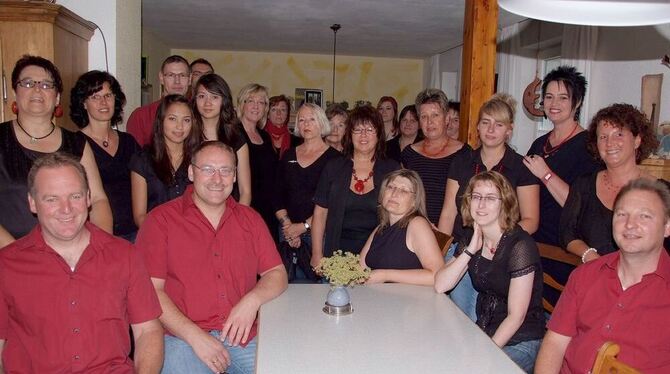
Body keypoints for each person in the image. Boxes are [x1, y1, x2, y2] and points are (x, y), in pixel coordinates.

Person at [0, 152, 163, 372]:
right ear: (32, 203)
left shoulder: (125, 255)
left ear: (88, 198)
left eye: (75, 196)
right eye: (51, 199)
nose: (66, 209)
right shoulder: (7, 265)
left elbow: (148, 331)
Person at [136, 141, 288, 374]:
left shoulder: (250, 220)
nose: (217, 179)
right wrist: (195, 336)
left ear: (235, 176)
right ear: (191, 172)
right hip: (182, 337)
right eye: (207, 169)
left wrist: (252, 301)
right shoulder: (160, 221)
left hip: (241, 336)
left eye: (225, 170)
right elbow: (150, 292)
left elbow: (276, 274)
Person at [535, 178, 670, 374]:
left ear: (667, 227)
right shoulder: (585, 275)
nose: (630, 224)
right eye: (622, 214)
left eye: (644, 216)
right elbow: (555, 342)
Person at [437, 94, 540, 321]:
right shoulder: (461, 162)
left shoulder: (521, 168)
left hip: (500, 255)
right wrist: (440, 253)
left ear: (509, 130)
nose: (491, 129)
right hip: (462, 250)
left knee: (484, 320)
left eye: (499, 124)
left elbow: (531, 220)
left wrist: (496, 239)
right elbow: (448, 212)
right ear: (478, 127)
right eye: (486, 122)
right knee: (457, 318)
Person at [434, 171, 545, 373]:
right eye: (476, 197)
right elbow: (441, 285)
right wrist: (469, 250)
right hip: (484, 332)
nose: (481, 204)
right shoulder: (472, 237)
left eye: (490, 198)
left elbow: (516, 317)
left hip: (521, 340)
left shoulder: (520, 246)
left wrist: (485, 353)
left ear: (505, 203)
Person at [0, 55, 112, 248]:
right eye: (27, 83)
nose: (36, 89)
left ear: (57, 96)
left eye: (46, 85)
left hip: (72, 252)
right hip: (10, 256)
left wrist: (99, 249)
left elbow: (97, 199)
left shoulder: (76, 143)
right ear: (14, 92)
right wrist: (16, 254)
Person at [522, 66, 600, 307]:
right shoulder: (539, 143)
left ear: (576, 103)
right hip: (533, 243)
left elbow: (581, 205)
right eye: (549, 96)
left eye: (563, 97)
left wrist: (546, 175)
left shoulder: (588, 147)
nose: (554, 103)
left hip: (564, 248)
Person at [561, 103, 659, 263]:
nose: (610, 142)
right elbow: (566, 234)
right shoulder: (583, 185)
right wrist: (590, 256)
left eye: (619, 134)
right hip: (594, 278)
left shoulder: (662, 192)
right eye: (603, 137)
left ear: (637, 141)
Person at [311, 105, 400, 268]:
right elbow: (320, 212)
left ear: (379, 133)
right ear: (349, 134)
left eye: (370, 129)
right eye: (357, 130)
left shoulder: (392, 169)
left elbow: (403, 215)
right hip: (337, 257)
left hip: (380, 257)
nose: (363, 135)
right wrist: (317, 254)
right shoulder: (334, 167)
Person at [70, 70, 140, 241]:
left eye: (108, 95)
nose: (103, 102)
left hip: (136, 232)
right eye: (95, 97)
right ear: (84, 103)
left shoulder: (128, 141)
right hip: (99, 234)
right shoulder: (74, 144)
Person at [274, 103, 340, 280]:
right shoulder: (288, 155)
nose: (306, 124)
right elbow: (277, 194)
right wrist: (288, 227)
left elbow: (333, 203)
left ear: (321, 123)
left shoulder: (336, 159)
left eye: (311, 119)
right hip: (287, 232)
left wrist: (303, 228)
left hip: (319, 234)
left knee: (318, 289)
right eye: (301, 120)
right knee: (288, 287)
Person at [359, 169, 444, 285]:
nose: (394, 194)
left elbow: (437, 276)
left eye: (404, 190)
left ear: (414, 201)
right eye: (390, 187)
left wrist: (385, 275)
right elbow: (360, 269)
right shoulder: (381, 228)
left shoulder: (417, 224)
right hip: (379, 297)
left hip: (408, 300)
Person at [401, 88, 470, 225]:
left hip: (452, 235)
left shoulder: (465, 153)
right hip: (414, 230)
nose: (429, 122)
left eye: (435, 115)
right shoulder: (409, 154)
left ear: (447, 119)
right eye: (424, 116)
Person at [130, 94, 199, 227]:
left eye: (186, 120)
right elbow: (140, 216)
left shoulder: (199, 158)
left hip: (193, 233)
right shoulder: (142, 160)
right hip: (155, 233)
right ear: (161, 121)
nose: (180, 126)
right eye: (172, 119)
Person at [192, 73, 252, 205]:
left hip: (229, 211)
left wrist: (237, 222)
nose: (207, 102)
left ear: (223, 100)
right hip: (191, 213)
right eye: (202, 96)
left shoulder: (236, 139)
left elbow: (245, 191)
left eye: (214, 97)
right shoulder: (187, 136)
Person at [237, 84, 279, 239]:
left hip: (267, 211)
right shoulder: (232, 134)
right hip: (243, 208)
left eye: (261, 102)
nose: (256, 106)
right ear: (242, 104)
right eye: (251, 101)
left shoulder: (265, 137)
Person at [127, 55, 190, 147]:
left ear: (190, 79)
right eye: (171, 75)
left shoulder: (197, 113)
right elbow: (134, 157)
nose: (177, 81)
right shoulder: (141, 116)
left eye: (182, 75)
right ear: (161, 78)